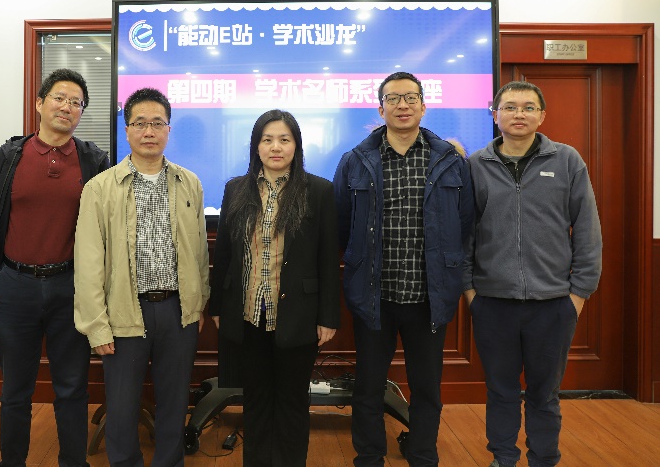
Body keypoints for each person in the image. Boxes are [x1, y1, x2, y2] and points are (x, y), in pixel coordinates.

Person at [333, 71, 473, 467]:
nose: (402, 105)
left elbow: (465, 223)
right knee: (368, 386)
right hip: (373, 295)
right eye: (393, 98)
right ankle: (369, 456)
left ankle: (423, 454)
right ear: (381, 109)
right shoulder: (356, 160)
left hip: (430, 296)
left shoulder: (450, 160)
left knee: (426, 387)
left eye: (410, 97)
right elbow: (341, 222)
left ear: (424, 107)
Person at [0, 68, 109, 467]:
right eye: (59, 98)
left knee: (72, 388)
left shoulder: (94, 160)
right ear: (39, 103)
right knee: (15, 390)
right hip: (15, 285)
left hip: (71, 286)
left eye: (76, 103)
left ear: (81, 112)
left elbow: (106, 230)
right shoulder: (3, 159)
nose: (67, 107)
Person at [464, 81, 602, 467]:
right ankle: (503, 458)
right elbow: (464, 234)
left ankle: (544, 458)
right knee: (501, 391)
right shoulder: (476, 165)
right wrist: (471, 292)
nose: (519, 114)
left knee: (544, 394)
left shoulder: (567, 160)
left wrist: (578, 295)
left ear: (542, 115)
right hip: (492, 302)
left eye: (528, 107)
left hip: (554, 304)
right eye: (509, 107)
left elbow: (587, 229)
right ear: (495, 115)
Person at [73, 87, 209, 467]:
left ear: (169, 129)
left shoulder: (190, 183)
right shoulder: (99, 188)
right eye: (140, 123)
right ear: (127, 129)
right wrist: (96, 325)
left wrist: (198, 304)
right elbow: (88, 263)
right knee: (121, 406)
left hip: (177, 311)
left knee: (175, 403)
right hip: (122, 312)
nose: (149, 131)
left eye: (157, 123)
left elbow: (199, 251)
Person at [209, 109, 340, 467]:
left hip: (298, 314)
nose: (275, 147)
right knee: (255, 400)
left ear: (296, 145)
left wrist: (328, 316)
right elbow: (224, 254)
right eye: (267, 140)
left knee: (292, 401)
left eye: (284, 139)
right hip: (248, 313)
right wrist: (218, 307)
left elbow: (328, 257)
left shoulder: (319, 190)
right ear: (256, 146)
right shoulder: (236, 189)